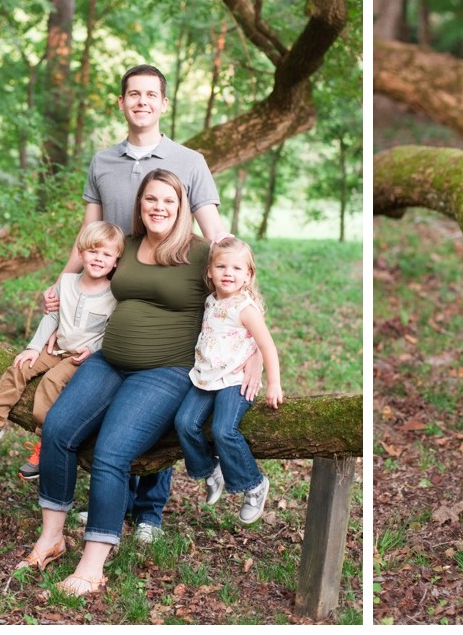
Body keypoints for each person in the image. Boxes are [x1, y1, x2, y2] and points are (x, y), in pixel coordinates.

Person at [19, 170, 265, 596]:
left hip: (165, 373)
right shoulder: (126, 246)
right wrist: (58, 297)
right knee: (58, 429)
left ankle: (92, 565)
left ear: (182, 207)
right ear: (140, 204)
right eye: (151, 199)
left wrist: (258, 359)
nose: (158, 208)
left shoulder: (202, 253)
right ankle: (51, 538)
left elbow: (247, 298)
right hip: (107, 360)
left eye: (168, 201)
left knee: (113, 450)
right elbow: (89, 278)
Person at [43, 63, 225, 543]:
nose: (142, 101)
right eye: (133, 94)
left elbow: (217, 235)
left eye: (151, 94)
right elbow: (89, 236)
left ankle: (149, 511)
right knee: (112, 405)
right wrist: (63, 285)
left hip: (175, 290)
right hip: (116, 288)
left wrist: (238, 293)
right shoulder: (103, 162)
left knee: (151, 400)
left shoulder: (189, 161)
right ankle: (111, 503)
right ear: (121, 103)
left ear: (164, 104)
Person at [0, 221, 124, 480]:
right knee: (19, 367)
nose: (98, 258)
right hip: (56, 346)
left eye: (106, 254)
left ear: (115, 261)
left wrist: (92, 349)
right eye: (93, 251)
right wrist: (33, 347)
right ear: (82, 253)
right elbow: (52, 317)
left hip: (79, 357)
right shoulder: (67, 282)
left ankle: (44, 445)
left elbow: (110, 331)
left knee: (51, 384)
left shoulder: (113, 295)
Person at [175, 235, 283, 525]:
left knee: (224, 430)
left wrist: (273, 383)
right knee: (184, 422)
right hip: (206, 377)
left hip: (235, 380)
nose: (228, 274)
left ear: (248, 276)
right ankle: (212, 470)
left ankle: (253, 484)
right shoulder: (211, 301)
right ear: (210, 271)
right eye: (221, 267)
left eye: (237, 269)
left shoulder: (245, 308)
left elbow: (267, 345)